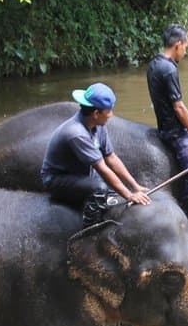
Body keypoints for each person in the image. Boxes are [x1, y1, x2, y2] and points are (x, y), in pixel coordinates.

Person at [40, 82, 150, 225]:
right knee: (100, 188)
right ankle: (90, 228)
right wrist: (129, 195)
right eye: (108, 111)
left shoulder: (98, 125)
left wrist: (135, 186)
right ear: (96, 113)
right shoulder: (76, 133)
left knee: (112, 187)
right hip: (58, 179)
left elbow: (111, 158)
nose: (111, 115)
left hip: (82, 172)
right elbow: (102, 168)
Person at [147, 24, 188, 214]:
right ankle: (183, 214)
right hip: (174, 133)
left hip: (163, 126)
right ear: (177, 44)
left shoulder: (154, 64)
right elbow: (179, 107)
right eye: (185, 47)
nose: (185, 52)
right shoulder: (168, 70)